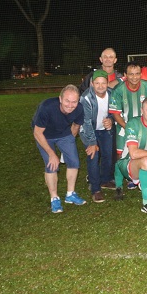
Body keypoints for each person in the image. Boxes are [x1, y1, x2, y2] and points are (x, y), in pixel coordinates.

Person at [32, 85, 86, 213]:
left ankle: (70, 194)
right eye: (67, 101)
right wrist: (52, 154)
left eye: (74, 102)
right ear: (60, 99)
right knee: (52, 165)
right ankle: (54, 198)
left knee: (74, 161)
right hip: (44, 134)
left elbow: (75, 127)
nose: (70, 105)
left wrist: (67, 147)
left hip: (63, 133)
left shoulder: (79, 109)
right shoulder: (47, 107)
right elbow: (37, 133)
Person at [79, 70, 115, 203]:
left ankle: (105, 180)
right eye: (97, 83)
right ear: (92, 84)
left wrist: (111, 119)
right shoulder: (86, 98)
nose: (100, 86)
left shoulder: (112, 94)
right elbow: (86, 122)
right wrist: (92, 142)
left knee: (108, 155)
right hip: (89, 131)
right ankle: (95, 189)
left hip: (104, 130)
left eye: (103, 83)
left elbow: (115, 111)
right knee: (93, 156)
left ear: (108, 83)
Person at [109, 62, 147, 160]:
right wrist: (129, 127)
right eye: (131, 74)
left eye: (137, 73)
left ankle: (141, 174)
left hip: (144, 126)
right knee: (120, 154)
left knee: (144, 153)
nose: (135, 77)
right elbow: (116, 114)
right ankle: (119, 174)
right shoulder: (118, 90)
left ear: (141, 74)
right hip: (124, 126)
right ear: (125, 75)